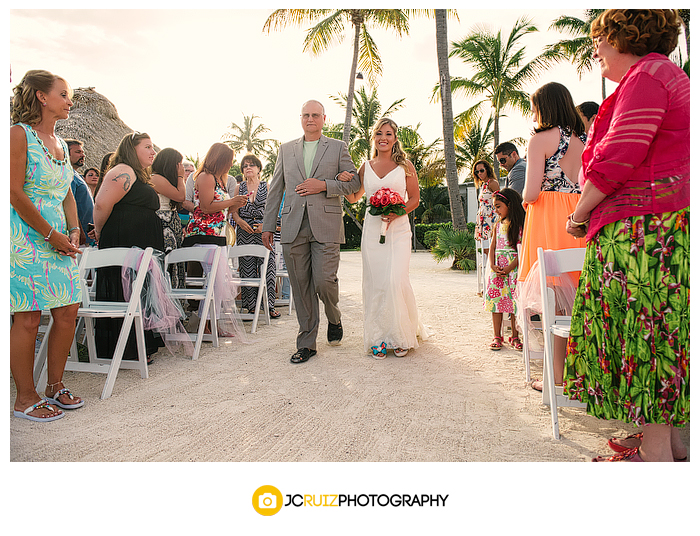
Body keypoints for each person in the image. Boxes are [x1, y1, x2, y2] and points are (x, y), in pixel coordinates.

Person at [563, 9, 689, 462]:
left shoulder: (648, 76)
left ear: (623, 35)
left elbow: (619, 155)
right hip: (656, 227)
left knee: (647, 337)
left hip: (644, 232)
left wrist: (579, 214)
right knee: (658, 336)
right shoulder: (660, 75)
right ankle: (670, 445)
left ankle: (656, 457)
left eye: (599, 38)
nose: (594, 48)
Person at [261, 99, 361, 364]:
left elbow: (355, 184)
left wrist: (324, 185)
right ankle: (306, 343)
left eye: (315, 115)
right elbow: (275, 190)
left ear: (324, 119)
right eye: (306, 115)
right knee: (301, 287)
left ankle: (334, 316)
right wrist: (268, 225)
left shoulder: (338, 148)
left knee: (324, 282)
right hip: (293, 226)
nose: (310, 119)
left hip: (326, 226)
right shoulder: (286, 149)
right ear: (301, 118)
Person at [10, 69, 84, 422]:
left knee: (68, 310)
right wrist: (48, 234)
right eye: (64, 94)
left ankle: (55, 385)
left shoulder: (58, 143)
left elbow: (67, 189)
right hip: (25, 235)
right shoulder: (18, 135)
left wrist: (73, 228)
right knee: (27, 317)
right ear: (42, 96)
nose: (70, 101)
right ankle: (25, 397)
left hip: (58, 238)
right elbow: (12, 192)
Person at [517, 81, 588, 392]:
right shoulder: (582, 140)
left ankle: (555, 379)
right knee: (574, 305)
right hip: (578, 216)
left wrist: (524, 200)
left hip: (548, 216)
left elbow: (531, 191)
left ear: (543, 107)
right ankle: (575, 376)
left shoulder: (540, 140)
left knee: (554, 304)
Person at [343, 117, 428, 358]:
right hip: (372, 230)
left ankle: (401, 335)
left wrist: (396, 211)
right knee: (376, 282)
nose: (384, 137)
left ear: (395, 138)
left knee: (395, 279)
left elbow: (414, 199)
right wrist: (344, 182)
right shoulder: (365, 166)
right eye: (379, 133)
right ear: (373, 137)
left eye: (388, 133)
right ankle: (378, 337)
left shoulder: (406, 165)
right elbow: (353, 197)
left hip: (399, 229)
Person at [93, 131, 165, 362]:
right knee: (124, 290)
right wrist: (101, 233)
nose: (153, 151)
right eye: (147, 146)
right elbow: (102, 205)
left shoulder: (138, 174)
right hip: (123, 240)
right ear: (131, 149)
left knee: (138, 290)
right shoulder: (122, 170)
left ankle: (140, 346)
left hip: (140, 242)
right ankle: (124, 348)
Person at [182, 143, 247, 336]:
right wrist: (231, 201)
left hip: (217, 234)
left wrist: (236, 205)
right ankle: (208, 324)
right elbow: (206, 206)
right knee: (215, 281)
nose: (231, 164)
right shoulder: (205, 177)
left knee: (218, 281)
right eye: (229, 160)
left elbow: (223, 210)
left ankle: (212, 323)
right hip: (204, 234)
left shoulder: (220, 180)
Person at [230, 154, 280, 318]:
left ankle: (269, 305)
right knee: (247, 267)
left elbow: (273, 209)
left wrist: (266, 227)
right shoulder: (239, 187)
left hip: (263, 230)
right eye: (245, 166)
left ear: (259, 168)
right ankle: (251, 307)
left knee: (268, 267)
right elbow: (233, 211)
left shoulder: (267, 186)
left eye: (252, 165)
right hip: (244, 230)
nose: (248, 168)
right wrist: (239, 221)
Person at [484, 188, 525, 351]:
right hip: (498, 269)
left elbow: (522, 251)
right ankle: (497, 335)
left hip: (512, 269)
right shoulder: (497, 226)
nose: (496, 210)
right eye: (495, 207)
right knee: (496, 302)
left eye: (498, 206)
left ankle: (515, 335)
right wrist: (493, 265)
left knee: (514, 303)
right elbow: (492, 247)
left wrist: (509, 268)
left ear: (510, 205)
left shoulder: (520, 226)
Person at [151, 147, 187, 290]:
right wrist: (180, 177)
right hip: (163, 221)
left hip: (172, 221)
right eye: (179, 164)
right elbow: (180, 197)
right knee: (167, 259)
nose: (181, 167)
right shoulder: (155, 178)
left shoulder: (165, 179)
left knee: (175, 260)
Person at [66, 139, 95, 246]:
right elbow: (69, 204)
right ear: (66, 153)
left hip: (87, 235)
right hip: (80, 237)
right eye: (78, 152)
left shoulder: (76, 175)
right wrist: (78, 231)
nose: (83, 155)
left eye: (83, 152)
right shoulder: (68, 175)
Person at [472, 159, 500, 243]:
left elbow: (500, 200)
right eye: (477, 172)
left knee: (490, 245)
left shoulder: (492, 183)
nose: (479, 173)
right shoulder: (483, 185)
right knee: (483, 247)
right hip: (482, 218)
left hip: (491, 218)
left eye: (482, 170)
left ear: (487, 170)